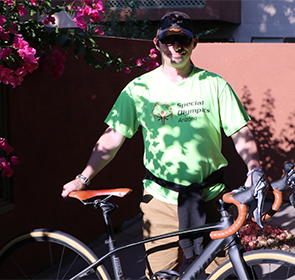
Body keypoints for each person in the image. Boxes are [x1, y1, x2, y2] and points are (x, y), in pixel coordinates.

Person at [62, 11, 263, 279]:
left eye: (183, 39)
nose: (175, 47)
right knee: (161, 275)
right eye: (168, 39)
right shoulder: (139, 89)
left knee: (226, 272)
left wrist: (254, 169)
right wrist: (83, 177)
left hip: (212, 198)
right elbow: (113, 136)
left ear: (195, 43)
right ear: (156, 43)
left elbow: (240, 132)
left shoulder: (214, 85)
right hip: (161, 203)